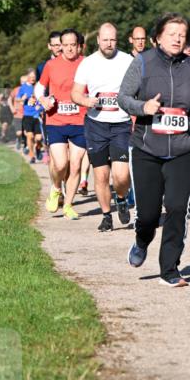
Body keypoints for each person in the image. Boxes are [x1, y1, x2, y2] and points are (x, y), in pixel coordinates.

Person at [118, 13, 190, 288]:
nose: (177, 38)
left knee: (177, 207)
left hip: (184, 146)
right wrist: (142, 107)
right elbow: (124, 97)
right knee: (147, 214)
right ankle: (141, 239)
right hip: (147, 146)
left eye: (182, 34)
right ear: (157, 37)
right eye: (171, 33)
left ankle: (169, 269)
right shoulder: (143, 62)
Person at [72, 22, 134, 231]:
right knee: (100, 175)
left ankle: (122, 198)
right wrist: (85, 101)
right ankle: (106, 215)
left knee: (122, 175)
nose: (109, 44)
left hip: (121, 124)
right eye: (105, 39)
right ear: (98, 40)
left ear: (117, 40)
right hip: (96, 125)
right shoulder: (87, 63)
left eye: (112, 40)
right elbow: (75, 93)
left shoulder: (128, 61)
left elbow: (140, 89)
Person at [34, 29, 86, 220]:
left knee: (76, 165)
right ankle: (56, 188)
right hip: (55, 120)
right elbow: (39, 88)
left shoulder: (86, 64)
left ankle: (69, 205)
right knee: (61, 163)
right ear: (60, 46)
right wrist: (43, 100)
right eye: (66, 45)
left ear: (78, 45)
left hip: (80, 121)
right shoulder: (51, 65)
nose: (70, 48)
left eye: (73, 44)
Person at [15, 71, 43, 162]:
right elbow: (17, 99)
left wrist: (41, 106)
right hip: (27, 115)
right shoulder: (23, 88)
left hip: (37, 115)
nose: (33, 78)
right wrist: (22, 99)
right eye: (31, 76)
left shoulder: (38, 87)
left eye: (34, 77)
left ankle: (38, 149)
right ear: (27, 77)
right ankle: (32, 156)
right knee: (30, 136)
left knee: (38, 138)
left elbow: (43, 98)